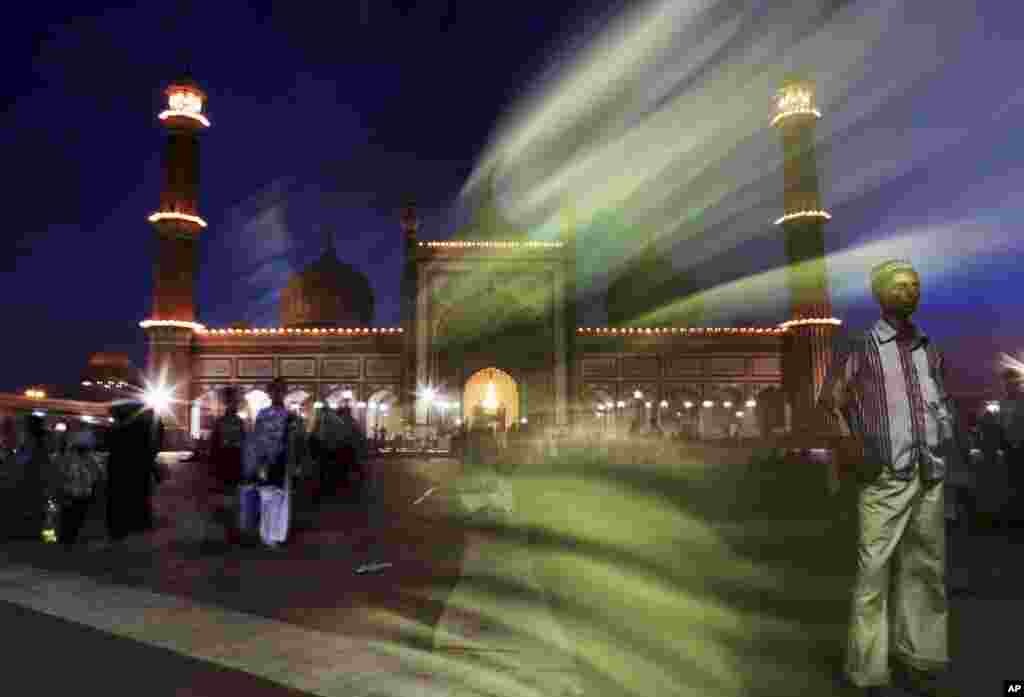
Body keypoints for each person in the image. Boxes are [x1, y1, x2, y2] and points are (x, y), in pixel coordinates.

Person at [819, 259, 961, 697]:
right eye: (899, 286)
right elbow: (830, 402)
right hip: (884, 476)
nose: (909, 292)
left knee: (926, 570)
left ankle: (921, 657)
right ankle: (867, 670)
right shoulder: (861, 347)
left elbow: (941, 399)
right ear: (880, 295)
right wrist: (852, 448)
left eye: (914, 285)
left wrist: (945, 437)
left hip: (928, 473)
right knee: (873, 574)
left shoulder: (928, 348)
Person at [243, 379, 306, 549]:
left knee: (281, 501)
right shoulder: (264, 414)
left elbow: (297, 441)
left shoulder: (290, 416)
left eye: (281, 391)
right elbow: (256, 441)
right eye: (275, 391)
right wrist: (256, 463)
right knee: (267, 500)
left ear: (284, 393)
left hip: (283, 463)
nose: (278, 394)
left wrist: (296, 463)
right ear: (270, 394)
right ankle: (267, 535)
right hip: (267, 463)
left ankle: (277, 534)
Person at [105, 400, 162, 544]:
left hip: (120, 469)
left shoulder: (118, 428)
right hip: (137, 468)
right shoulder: (143, 426)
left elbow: (108, 443)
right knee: (137, 495)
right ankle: (135, 524)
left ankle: (119, 529)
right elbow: (153, 446)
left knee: (119, 498)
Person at [208, 387, 247, 543]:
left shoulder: (239, 422)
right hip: (225, 463)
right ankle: (228, 530)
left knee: (234, 498)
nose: (234, 405)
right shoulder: (220, 422)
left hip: (235, 462)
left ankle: (233, 530)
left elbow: (245, 443)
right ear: (227, 403)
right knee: (227, 498)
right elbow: (214, 446)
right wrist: (213, 466)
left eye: (235, 402)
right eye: (231, 401)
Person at [56, 430, 103, 548]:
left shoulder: (91, 459)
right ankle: (66, 544)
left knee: (75, 523)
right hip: (71, 496)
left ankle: (69, 544)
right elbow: (62, 475)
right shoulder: (70, 458)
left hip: (82, 497)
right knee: (69, 523)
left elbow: (97, 476)